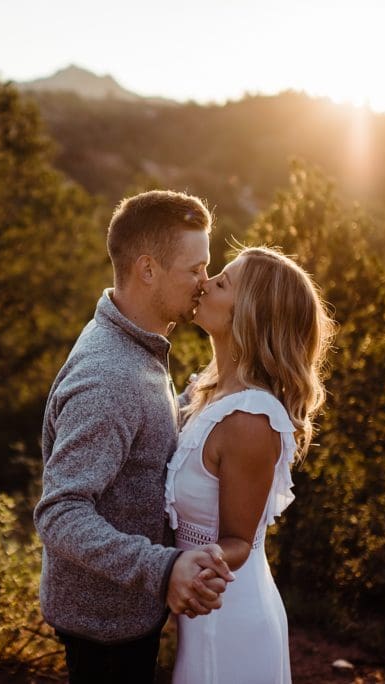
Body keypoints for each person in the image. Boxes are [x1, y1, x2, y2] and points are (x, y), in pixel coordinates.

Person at [34, 190, 235, 684]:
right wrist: (163, 569)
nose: (204, 283)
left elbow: (136, 439)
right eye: (195, 269)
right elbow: (60, 513)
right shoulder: (112, 377)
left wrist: (194, 405)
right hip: (106, 625)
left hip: (119, 609)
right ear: (148, 269)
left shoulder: (134, 341)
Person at [165, 246, 336, 683]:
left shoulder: (250, 419)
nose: (204, 282)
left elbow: (238, 541)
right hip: (201, 609)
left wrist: (173, 573)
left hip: (228, 619)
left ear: (251, 317)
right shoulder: (211, 393)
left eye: (221, 282)